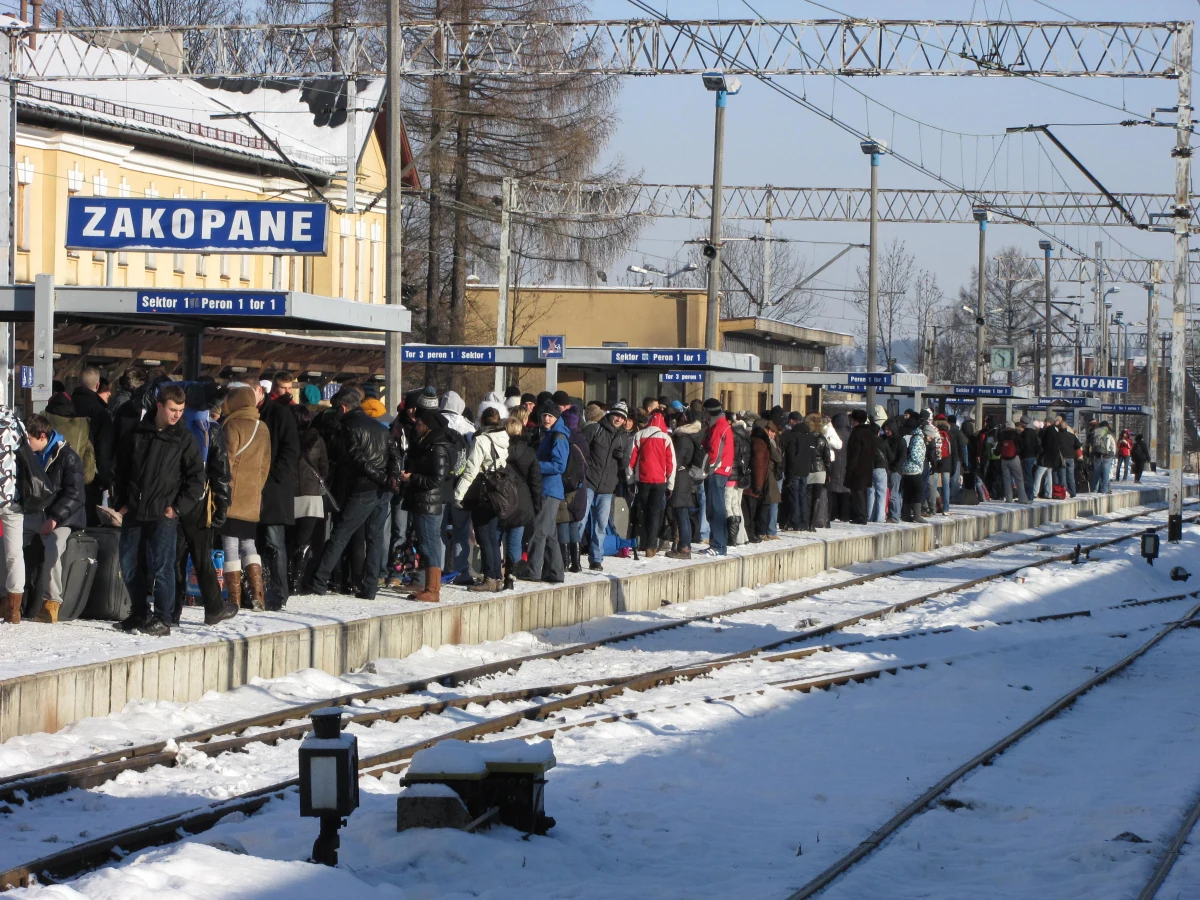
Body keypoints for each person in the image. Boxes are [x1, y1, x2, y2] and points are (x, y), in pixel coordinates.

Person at [111, 384, 205, 636]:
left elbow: (196, 479)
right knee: (129, 564)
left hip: (164, 513)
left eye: (181, 410)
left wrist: (177, 508)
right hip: (135, 509)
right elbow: (120, 469)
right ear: (160, 406)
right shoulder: (137, 433)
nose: (177, 415)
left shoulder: (183, 438)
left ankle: (164, 617)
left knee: (162, 568)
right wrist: (120, 501)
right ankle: (140, 611)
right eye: (173, 409)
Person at [308, 389, 401, 600]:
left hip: (363, 488)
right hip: (382, 489)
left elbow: (358, 459)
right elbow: (395, 454)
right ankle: (370, 587)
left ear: (343, 408)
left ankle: (319, 581)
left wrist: (382, 477)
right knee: (375, 537)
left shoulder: (348, 427)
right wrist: (392, 477)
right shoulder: (379, 427)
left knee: (341, 534)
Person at [21, 414, 85, 623]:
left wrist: (55, 517)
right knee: (8, 541)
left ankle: (52, 602)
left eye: (29, 439)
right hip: (35, 513)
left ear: (42, 436)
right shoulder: (28, 454)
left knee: (53, 546)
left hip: (62, 516)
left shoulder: (67, 457)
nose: (26, 444)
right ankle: (7, 597)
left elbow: (75, 493)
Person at [220, 385, 273, 611]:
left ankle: (234, 599)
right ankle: (258, 595)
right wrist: (256, 489)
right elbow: (265, 466)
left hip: (232, 494)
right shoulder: (263, 427)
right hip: (252, 495)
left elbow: (227, 462)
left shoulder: (232, 425)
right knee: (249, 544)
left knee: (230, 544)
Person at [399, 391, 454, 603]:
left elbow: (437, 478)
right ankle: (431, 587)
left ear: (427, 423)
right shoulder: (428, 441)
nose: (417, 424)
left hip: (429, 502)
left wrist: (412, 478)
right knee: (428, 543)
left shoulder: (436, 445)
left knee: (429, 544)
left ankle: (432, 589)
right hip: (424, 500)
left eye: (420, 421)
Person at [455, 406, 510, 592]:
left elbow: (471, 470)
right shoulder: (503, 438)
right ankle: (497, 576)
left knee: (483, 535)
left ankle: (489, 578)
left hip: (483, 492)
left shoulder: (481, 440)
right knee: (492, 536)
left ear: (482, 421)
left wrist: (458, 495)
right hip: (497, 491)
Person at [257, 378, 300, 609]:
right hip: (253, 489)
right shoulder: (244, 414)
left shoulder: (280, 414)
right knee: (254, 543)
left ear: (259, 391)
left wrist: (272, 477)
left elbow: (290, 451)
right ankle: (258, 590)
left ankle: (279, 592)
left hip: (273, 488)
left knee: (274, 541)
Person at [516, 402, 570, 582]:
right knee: (550, 533)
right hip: (548, 489)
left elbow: (559, 465)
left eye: (550, 416)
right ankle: (555, 572)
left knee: (538, 531)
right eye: (544, 415)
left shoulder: (558, 436)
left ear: (556, 418)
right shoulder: (549, 434)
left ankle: (533, 571)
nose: (546, 419)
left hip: (549, 489)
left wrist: (535, 465)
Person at [582, 401, 629, 571]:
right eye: (617, 415)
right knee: (580, 520)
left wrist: (622, 457)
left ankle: (596, 559)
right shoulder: (595, 429)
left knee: (601, 524)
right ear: (610, 415)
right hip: (589, 481)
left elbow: (625, 464)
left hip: (607, 487)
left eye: (622, 417)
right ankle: (572, 555)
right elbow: (580, 451)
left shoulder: (624, 438)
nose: (619, 419)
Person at [290, 404, 329, 594]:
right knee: (305, 541)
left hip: (288, 494)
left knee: (288, 538)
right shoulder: (317, 440)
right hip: (311, 494)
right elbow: (325, 468)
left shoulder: (285, 438)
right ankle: (298, 581)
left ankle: (286, 577)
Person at [628, 407, 676, 557]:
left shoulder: (639, 435)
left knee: (644, 510)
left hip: (642, 480)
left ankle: (643, 541)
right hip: (660, 481)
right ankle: (651, 545)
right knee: (655, 512)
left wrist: (630, 480)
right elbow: (671, 464)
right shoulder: (666, 438)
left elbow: (631, 461)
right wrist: (670, 484)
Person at [501, 414, 541, 588]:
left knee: (496, 537)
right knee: (515, 540)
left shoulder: (499, 449)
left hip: (500, 497)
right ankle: (512, 573)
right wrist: (536, 505)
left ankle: (495, 571)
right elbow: (536, 482)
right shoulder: (529, 452)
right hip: (522, 500)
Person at [72, 366, 114, 525]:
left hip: (64, 470)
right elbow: (104, 446)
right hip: (90, 473)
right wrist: (105, 477)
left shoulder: (66, 405)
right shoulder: (99, 411)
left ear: (79, 382)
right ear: (97, 385)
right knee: (90, 517)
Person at [667, 408, 704, 559]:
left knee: (681, 513)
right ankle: (684, 545)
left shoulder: (683, 439)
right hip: (686, 478)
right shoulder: (693, 436)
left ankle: (684, 547)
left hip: (681, 479)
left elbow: (676, 461)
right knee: (683, 513)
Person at [43, 391, 97, 488]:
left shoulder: (43, 420)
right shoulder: (81, 425)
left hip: (45, 480)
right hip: (73, 480)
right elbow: (88, 456)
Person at [701, 398, 734, 556]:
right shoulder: (722, 425)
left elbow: (714, 451)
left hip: (716, 472)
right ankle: (718, 543)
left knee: (715, 509)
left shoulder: (718, 427)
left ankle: (718, 545)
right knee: (717, 508)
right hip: (721, 471)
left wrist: (707, 469)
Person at [743, 418, 774, 542]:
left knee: (749, 509)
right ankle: (750, 534)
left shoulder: (755, 440)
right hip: (754, 482)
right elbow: (758, 465)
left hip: (752, 480)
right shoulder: (760, 443)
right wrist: (758, 485)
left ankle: (750, 533)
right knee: (750, 510)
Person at [845, 409, 876, 525]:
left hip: (857, 467)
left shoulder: (856, 433)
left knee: (857, 492)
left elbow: (854, 452)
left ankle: (860, 516)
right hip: (868, 466)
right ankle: (862, 515)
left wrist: (850, 468)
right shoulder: (870, 432)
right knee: (863, 492)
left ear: (855, 421)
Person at [782, 416, 812, 531]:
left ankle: (795, 522)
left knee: (794, 496)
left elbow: (790, 455)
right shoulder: (809, 436)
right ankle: (804, 521)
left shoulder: (793, 436)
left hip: (794, 470)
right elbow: (812, 453)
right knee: (802, 496)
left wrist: (789, 471)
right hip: (805, 470)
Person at [803, 412, 832, 530]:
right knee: (817, 498)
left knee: (807, 497)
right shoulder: (822, 439)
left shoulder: (806, 438)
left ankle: (806, 522)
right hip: (821, 470)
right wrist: (829, 473)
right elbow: (827, 458)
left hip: (808, 469)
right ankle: (812, 524)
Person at [898, 415, 927, 523]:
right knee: (918, 491)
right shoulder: (918, 438)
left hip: (906, 468)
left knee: (908, 492)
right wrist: (920, 464)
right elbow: (915, 453)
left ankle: (905, 514)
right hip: (914, 468)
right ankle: (917, 515)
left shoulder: (909, 436)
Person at [996, 419, 1029, 503]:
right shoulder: (1017, 434)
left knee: (1006, 479)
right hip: (1015, 458)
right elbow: (1022, 445)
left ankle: (1008, 498)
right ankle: (1022, 498)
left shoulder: (1001, 434)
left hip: (1004, 459)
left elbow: (998, 449)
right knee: (1019, 479)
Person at [1031, 417, 1061, 500]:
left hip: (1046, 458)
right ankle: (1048, 493)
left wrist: (1041, 453)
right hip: (1052, 458)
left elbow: (1044, 445)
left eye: (1045, 422)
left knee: (1038, 474)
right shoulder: (1055, 432)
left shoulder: (1047, 431)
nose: (1044, 424)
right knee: (1048, 475)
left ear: (1048, 423)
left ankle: (1034, 492)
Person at [1090, 421, 1117, 493]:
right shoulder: (1109, 433)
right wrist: (1112, 454)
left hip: (1097, 454)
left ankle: (1094, 489)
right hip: (1107, 456)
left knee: (1096, 472)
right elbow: (1113, 445)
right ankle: (1104, 489)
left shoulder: (1096, 433)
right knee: (1106, 472)